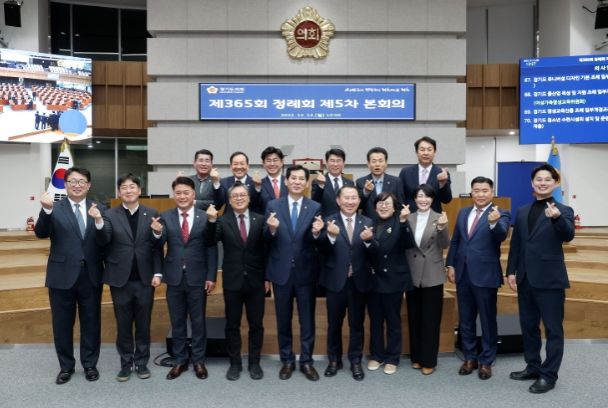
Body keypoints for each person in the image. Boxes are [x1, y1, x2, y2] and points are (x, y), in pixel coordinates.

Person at [506, 163, 575, 394]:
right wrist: (511, 271)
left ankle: (549, 375)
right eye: (539, 179)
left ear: (555, 183)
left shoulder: (564, 210)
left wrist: (556, 218)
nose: (542, 183)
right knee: (528, 327)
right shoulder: (522, 210)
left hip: (550, 280)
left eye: (547, 179)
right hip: (525, 278)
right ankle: (533, 367)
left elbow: (568, 235)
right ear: (532, 183)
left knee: (553, 330)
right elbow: (516, 244)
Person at [35, 167, 105, 385]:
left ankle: (90, 364)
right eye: (72, 181)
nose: (77, 185)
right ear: (65, 185)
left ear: (89, 185)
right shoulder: (54, 208)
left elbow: (105, 240)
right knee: (62, 324)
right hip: (61, 275)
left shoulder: (100, 208)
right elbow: (40, 233)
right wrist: (46, 210)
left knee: (91, 323)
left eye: (82, 181)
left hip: (91, 275)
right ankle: (66, 367)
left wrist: (100, 222)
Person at [91, 174, 162, 382]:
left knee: (143, 324)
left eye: (132, 187)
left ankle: (141, 362)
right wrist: (98, 221)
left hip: (145, 279)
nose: (128, 190)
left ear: (139, 191)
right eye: (124, 187)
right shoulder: (109, 214)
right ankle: (126, 363)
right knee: (123, 325)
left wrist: (158, 235)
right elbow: (103, 239)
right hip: (119, 279)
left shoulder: (152, 213)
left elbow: (157, 248)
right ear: (119, 192)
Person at [151, 176, 217, 380]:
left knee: (198, 322)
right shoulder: (165, 216)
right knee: (177, 321)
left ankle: (198, 361)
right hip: (174, 277)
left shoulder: (205, 217)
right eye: (178, 193)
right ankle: (180, 360)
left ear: (193, 194)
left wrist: (211, 276)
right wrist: (156, 234)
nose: (182, 196)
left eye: (186, 192)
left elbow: (211, 247)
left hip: (198, 277)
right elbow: (158, 246)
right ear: (173, 195)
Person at [446, 177, 511, 380]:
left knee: (487, 320)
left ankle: (486, 361)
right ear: (471, 192)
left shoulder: (501, 213)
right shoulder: (463, 212)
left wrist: (493, 223)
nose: (480, 194)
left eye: (485, 190)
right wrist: (450, 264)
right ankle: (470, 357)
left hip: (485, 275)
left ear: (492, 192)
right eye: (476, 190)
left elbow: (501, 235)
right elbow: (456, 241)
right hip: (463, 273)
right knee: (465, 319)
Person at [264, 165, 322, 381]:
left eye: (301, 179)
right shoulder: (273, 205)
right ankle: (287, 360)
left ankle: (306, 361)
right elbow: (265, 239)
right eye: (293, 178)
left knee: (307, 321)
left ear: (307, 183)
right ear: (286, 181)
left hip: (306, 272)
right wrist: (271, 229)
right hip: (281, 272)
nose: (297, 182)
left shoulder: (314, 206)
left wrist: (316, 234)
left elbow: (318, 240)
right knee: (283, 319)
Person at [206, 183, 268, 381]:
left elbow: (267, 250)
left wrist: (267, 278)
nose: (239, 198)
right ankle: (235, 363)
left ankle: (254, 363)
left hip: (256, 280)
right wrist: (211, 221)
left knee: (256, 324)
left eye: (242, 195)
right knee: (232, 324)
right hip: (232, 281)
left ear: (249, 198)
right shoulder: (222, 221)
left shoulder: (261, 220)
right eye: (235, 196)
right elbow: (210, 241)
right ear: (230, 200)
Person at [317, 185, 374, 381]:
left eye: (354, 198)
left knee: (357, 325)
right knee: (334, 324)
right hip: (335, 282)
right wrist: (330, 236)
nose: (350, 201)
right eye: (346, 198)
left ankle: (355, 361)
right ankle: (334, 360)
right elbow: (321, 250)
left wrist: (369, 241)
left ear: (359, 200)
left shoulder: (368, 222)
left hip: (359, 282)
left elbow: (374, 252)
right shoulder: (328, 221)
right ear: (338, 201)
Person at [365, 192, 416, 375]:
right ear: (375, 207)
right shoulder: (369, 222)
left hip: (393, 279)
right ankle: (377, 355)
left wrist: (403, 222)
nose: (383, 206)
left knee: (393, 320)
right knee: (375, 320)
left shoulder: (400, 222)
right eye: (380, 203)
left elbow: (408, 243)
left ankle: (393, 357)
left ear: (395, 208)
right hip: (373, 279)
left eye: (387, 203)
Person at [405, 184, 450, 375]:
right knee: (414, 317)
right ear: (415, 199)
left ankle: (429, 360)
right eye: (420, 196)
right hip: (412, 273)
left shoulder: (439, 217)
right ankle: (416, 357)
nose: (423, 200)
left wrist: (442, 228)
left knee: (431, 319)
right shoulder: (407, 217)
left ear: (432, 199)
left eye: (427, 196)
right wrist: (401, 222)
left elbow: (445, 244)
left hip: (432, 273)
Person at [399, 136, 452, 213]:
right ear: (416, 152)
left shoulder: (442, 173)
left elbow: (446, 200)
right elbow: (400, 197)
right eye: (422, 150)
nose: (426, 153)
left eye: (429, 150)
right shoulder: (405, 172)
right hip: (410, 216)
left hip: (433, 217)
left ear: (434, 152)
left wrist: (443, 184)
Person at [356, 147, 404, 218]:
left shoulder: (396, 181)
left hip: (390, 222)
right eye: (374, 161)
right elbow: (358, 206)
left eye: (380, 161)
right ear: (368, 164)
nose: (377, 164)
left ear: (386, 163)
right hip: (369, 222)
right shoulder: (361, 182)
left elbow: (400, 206)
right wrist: (366, 192)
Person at [311, 148, 355, 217]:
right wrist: (321, 185)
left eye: (338, 161)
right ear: (326, 163)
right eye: (332, 161)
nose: (335, 164)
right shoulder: (317, 182)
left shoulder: (350, 183)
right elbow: (314, 203)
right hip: (326, 222)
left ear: (343, 163)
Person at [257, 146, 288, 211]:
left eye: (275, 160)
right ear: (263, 163)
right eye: (268, 160)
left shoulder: (290, 182)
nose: (272, 164)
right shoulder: (259, 184)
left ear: (282, 162)